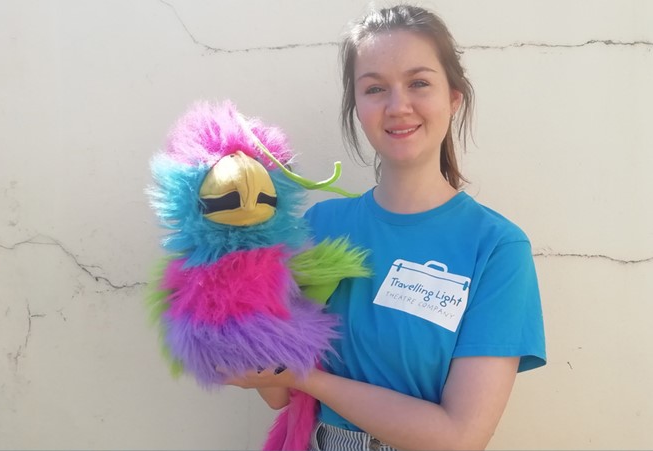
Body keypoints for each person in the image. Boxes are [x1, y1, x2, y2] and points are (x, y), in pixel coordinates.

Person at [226, 4, 546, 450]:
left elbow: (460, 437)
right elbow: (276, 392)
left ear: (453, 98)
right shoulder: (319, 226)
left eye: (418, 83)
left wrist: (311, 379)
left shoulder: (496, 247)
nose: (398, 106)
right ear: (357, 106)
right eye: (375, 88)